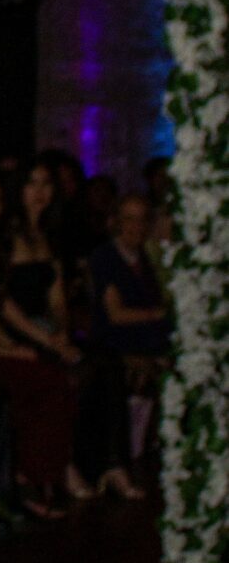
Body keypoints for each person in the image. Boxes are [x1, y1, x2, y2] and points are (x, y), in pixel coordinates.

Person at [0, 161, 81, 517]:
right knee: (48, 377)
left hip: (39, 331)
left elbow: (58, 298)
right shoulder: (5, 237)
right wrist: (47, 342)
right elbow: (0, 306)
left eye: (46, 183)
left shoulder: (50, 235)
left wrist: (61, 332)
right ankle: (33, 478)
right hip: (5, 335)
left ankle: (65, 466)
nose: (40, 191)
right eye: (31, 183)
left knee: (89, 366)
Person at [78, 194, 171, 497]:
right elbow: (115, 314)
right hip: (116, 343)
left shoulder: (146, 259)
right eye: (129, 218)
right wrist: (158, 314)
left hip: (151, 340)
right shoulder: (105, 258)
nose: (136, 226)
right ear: (117, 221)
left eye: (142, 218)